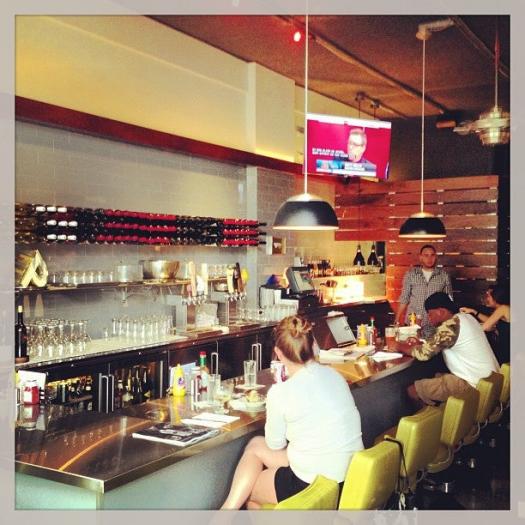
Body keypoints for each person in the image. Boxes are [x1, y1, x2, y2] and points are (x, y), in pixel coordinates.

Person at [221, 315, 363, 509]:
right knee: (255, 445)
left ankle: (226, 513)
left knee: (249, 492)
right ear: (313, 345)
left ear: (278, 354)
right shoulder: (335, 376)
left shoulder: (280, 393)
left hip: (315, 483)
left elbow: (275, 444)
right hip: (351, 477)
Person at [396, 292, 500, 408]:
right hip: (489, 382)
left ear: (440, 311)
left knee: (413, 391)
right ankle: (442, 414)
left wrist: (397, 346)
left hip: (474, 386)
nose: (429, 319)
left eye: (430, 314)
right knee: (436, 376)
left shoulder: (451, 325)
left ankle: (432, 418)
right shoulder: (466, 317)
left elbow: (423, 354)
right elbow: (437, 343)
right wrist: (421, 344)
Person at [395, 244, 453, 339]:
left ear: (436, 257)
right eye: (426, 255)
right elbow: (404, 298)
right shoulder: (411, 274)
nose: (429, 258)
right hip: (412, 323)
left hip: (434, 325)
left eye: (432, 255)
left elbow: (449, 301)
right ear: (420, 257)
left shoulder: (444, 276)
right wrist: (397, 320)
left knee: (430, 347)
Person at [460, 283, 510, 364]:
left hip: (508, 351)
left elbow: (485, 327)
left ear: (496, 297)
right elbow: (491, 323)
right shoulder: (505, 308)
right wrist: (474, 311)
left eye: (488, 296)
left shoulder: (503, 309)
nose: (486, 298)